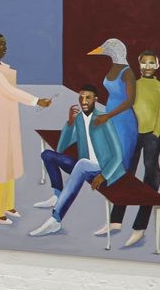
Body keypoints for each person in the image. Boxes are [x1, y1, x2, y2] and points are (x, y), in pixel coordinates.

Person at [0, 33, 52, 224]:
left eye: (5, 44)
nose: (4, 47)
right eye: (0, 44)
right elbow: (10, 91)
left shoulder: (1, 67)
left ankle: (7, 205)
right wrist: (36, 100)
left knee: (9, 162)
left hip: (6, 122)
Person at [29, 86, 126, 236]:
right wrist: (70, 123)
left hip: (103, 169)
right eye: (81, 97)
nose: (84, 101)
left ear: (95, 100)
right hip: (85, 166)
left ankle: (55, 220)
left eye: (88, 98)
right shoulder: (80, 119)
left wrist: (104, 175)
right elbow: (61, 148)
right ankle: (57, 195)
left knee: (81, 164)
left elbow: (118, 155)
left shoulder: (103, 119)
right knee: (48, 155)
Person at [108, 48, 160, 247]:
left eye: (151, 62)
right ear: (139, 64)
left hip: (153, 136)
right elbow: (127, 108)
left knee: (150, 173)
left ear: (157, 65)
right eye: (144, 62)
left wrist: (155, 134)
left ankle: (140, 227)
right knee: (127, 173)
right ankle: (116, 220)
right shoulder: (135, 85)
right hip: (134, 134)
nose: (147, 66)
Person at [86, 38, 141, 239]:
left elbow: (130, 101)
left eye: (106, 47)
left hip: (124, 122)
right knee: (110, 160)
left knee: (122, 166)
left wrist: (108, 115)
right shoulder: (113, 67)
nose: (102, 49)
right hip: (110, 118)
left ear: (116, 50)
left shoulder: (127, 73)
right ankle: (115, 220)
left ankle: (115, 220)